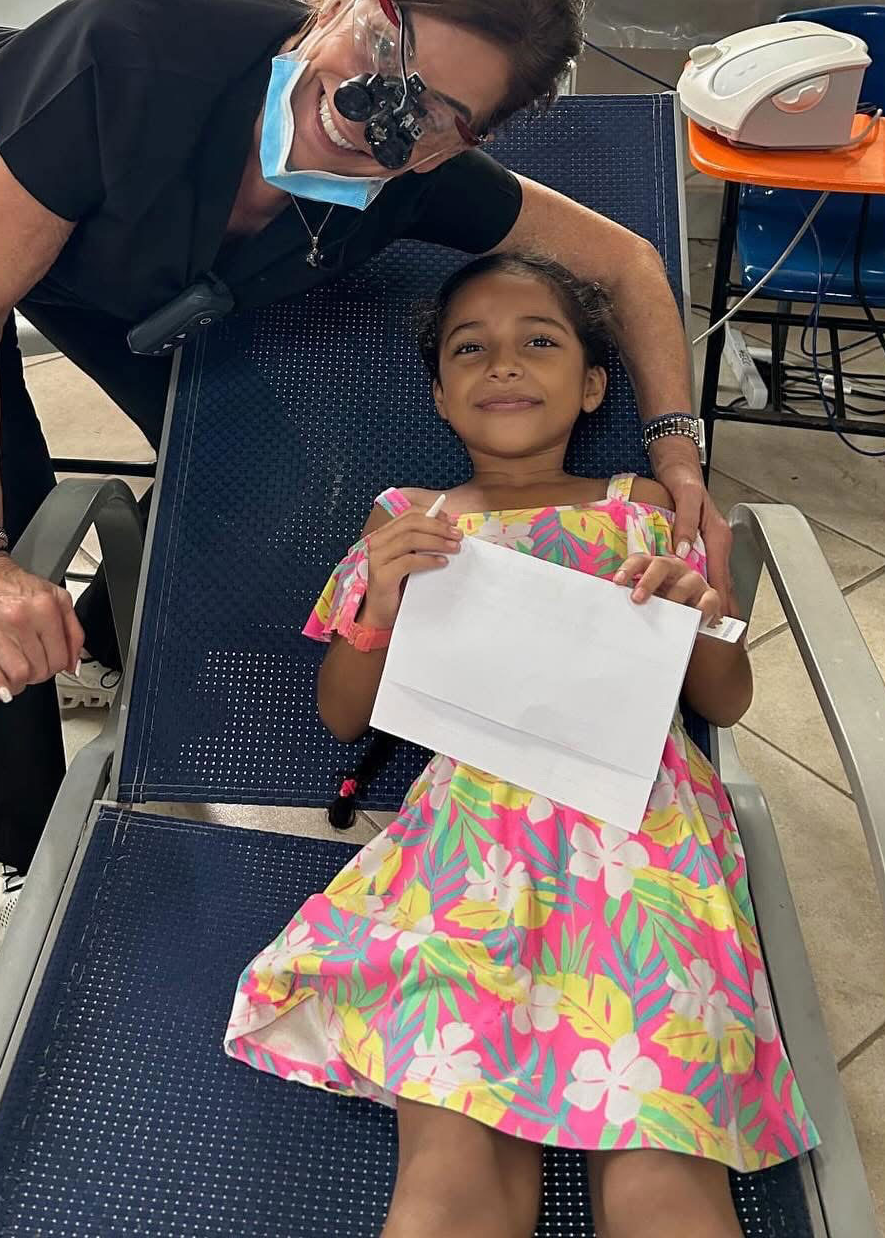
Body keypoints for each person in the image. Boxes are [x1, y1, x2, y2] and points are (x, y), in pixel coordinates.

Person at [0, 0, 727, 957]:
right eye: (380, 48)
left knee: (240, 467)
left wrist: (676, 447)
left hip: (101, 244)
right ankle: (21, 839)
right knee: (11, 523)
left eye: (430, 112)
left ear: (466, 142)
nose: (373, 111)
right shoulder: (130, 47)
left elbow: (629, 264)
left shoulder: (416, 180)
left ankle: (94, 642)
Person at [224, 253, 817, 1238]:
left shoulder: (644, 506)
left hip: (647, 847)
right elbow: (342, 715)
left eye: (539, 341)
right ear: (442, 396)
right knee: (449, 1184)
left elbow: (728, 697)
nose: (505, 364)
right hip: (468, 854)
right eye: (472, 349)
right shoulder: (408, 521)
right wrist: (379, 602)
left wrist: (700, 612)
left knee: (662, 1180)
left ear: (591, 385)